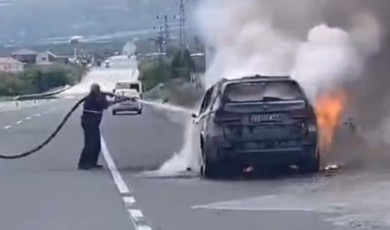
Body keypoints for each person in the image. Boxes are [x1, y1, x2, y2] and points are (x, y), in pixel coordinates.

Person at [78, 83, 127, 170]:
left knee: (96, 144)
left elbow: (104, 94)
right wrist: (120, 100)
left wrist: (111, 94)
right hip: (89, 122)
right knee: (90, 143)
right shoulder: (93, 98)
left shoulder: (96, 96)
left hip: (93, 122)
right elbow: (105, 105)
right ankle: (83, 163)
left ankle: (93, 162)